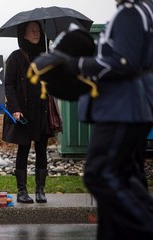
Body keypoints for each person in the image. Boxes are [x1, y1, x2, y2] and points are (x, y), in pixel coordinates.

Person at [73, 0, 153, 239]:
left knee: (100, 173)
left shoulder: (131, 12)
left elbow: (122, 63)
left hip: (121, 108)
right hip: (131, 107)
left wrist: (74, 64)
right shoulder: (142, 10)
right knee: (125, 175)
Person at [2, 21, 53, 204]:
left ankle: (40, 190)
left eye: (38, 30)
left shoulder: (46, 55)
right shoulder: (16, 57)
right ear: (23, 34)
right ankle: (21, 191)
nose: (35, 33)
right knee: (23, 149)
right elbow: (8, 85)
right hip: (22, 112)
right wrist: (15, 109)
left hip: (42, 110)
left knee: (42, 150)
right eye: (31, 31)